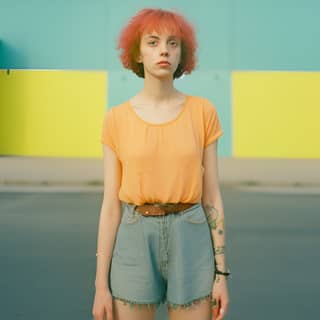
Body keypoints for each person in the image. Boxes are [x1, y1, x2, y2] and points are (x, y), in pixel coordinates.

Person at [92, 7, 230, 320]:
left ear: (183, 54)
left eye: (173, 43)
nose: (164, 50)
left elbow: (212, 198)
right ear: (137, 53)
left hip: (192, 236)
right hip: (134, 237)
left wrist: (222, 275)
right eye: (152, 42)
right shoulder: (116, 119)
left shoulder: (203, 112)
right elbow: (111, 204)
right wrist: (101, 285)